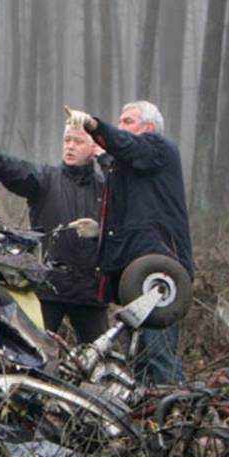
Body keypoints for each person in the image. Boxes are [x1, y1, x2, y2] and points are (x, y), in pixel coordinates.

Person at [65, 101, 193, 385]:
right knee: (140, 360)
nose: (121, 127)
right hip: (138, 277)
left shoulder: (159, 148)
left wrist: (96, 126)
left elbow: (128, 147)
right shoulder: (133, 168)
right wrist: (102, 231)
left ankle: (176, 418)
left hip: (160, 276)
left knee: (160, 359)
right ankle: (149, 423)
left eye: (128, 121)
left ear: (148, 128)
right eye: (119, 122)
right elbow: (134, 215)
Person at [0, 126, 107, 343]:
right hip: (49, 287)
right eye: (67, 140)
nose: (70, 146)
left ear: (93, 147)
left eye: (78, 142)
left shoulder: (106, 188)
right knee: (34, 350)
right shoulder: (45, 179)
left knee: (99, 360)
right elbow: (17, 170)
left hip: (90, 291)